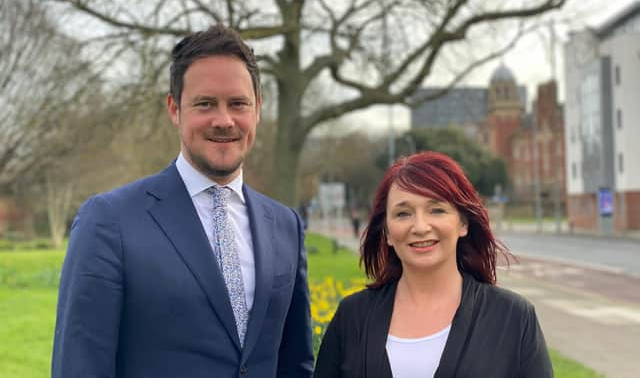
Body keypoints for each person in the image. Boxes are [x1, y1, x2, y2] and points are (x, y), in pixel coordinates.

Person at [52, 25, 314, 378]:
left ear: (258, 109)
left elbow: (295, 365)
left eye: (238, 104)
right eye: (205, 104)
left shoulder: (285, 225)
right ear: (175, 109)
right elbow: (80, 366)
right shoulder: (110, 221)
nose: (224, 120)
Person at [314, 151, 552, 378]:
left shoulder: (513, 318)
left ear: (463, 224)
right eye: (403, 214)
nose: (420, 226)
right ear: (386, 232)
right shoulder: (353, 317)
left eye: (436, 210)